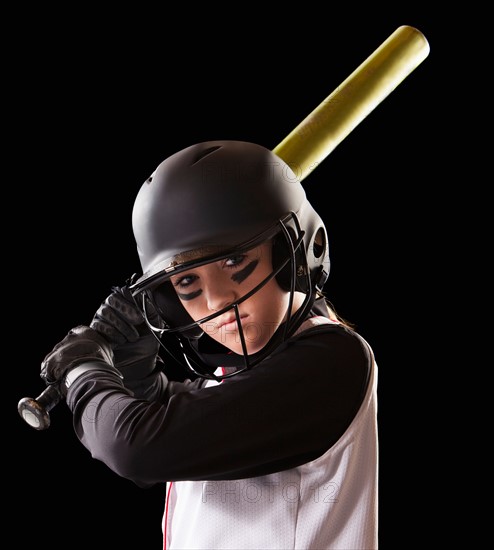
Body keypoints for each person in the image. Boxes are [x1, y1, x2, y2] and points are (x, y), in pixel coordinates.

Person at [40, 140, 378, 549]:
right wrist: (129, 357)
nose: (217, 302)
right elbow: (160, 410)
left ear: (295, 253)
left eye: (234, 261)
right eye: (187, 282)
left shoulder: (332, 361)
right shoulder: (232, 379)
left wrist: (82, 372)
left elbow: (137, 448)